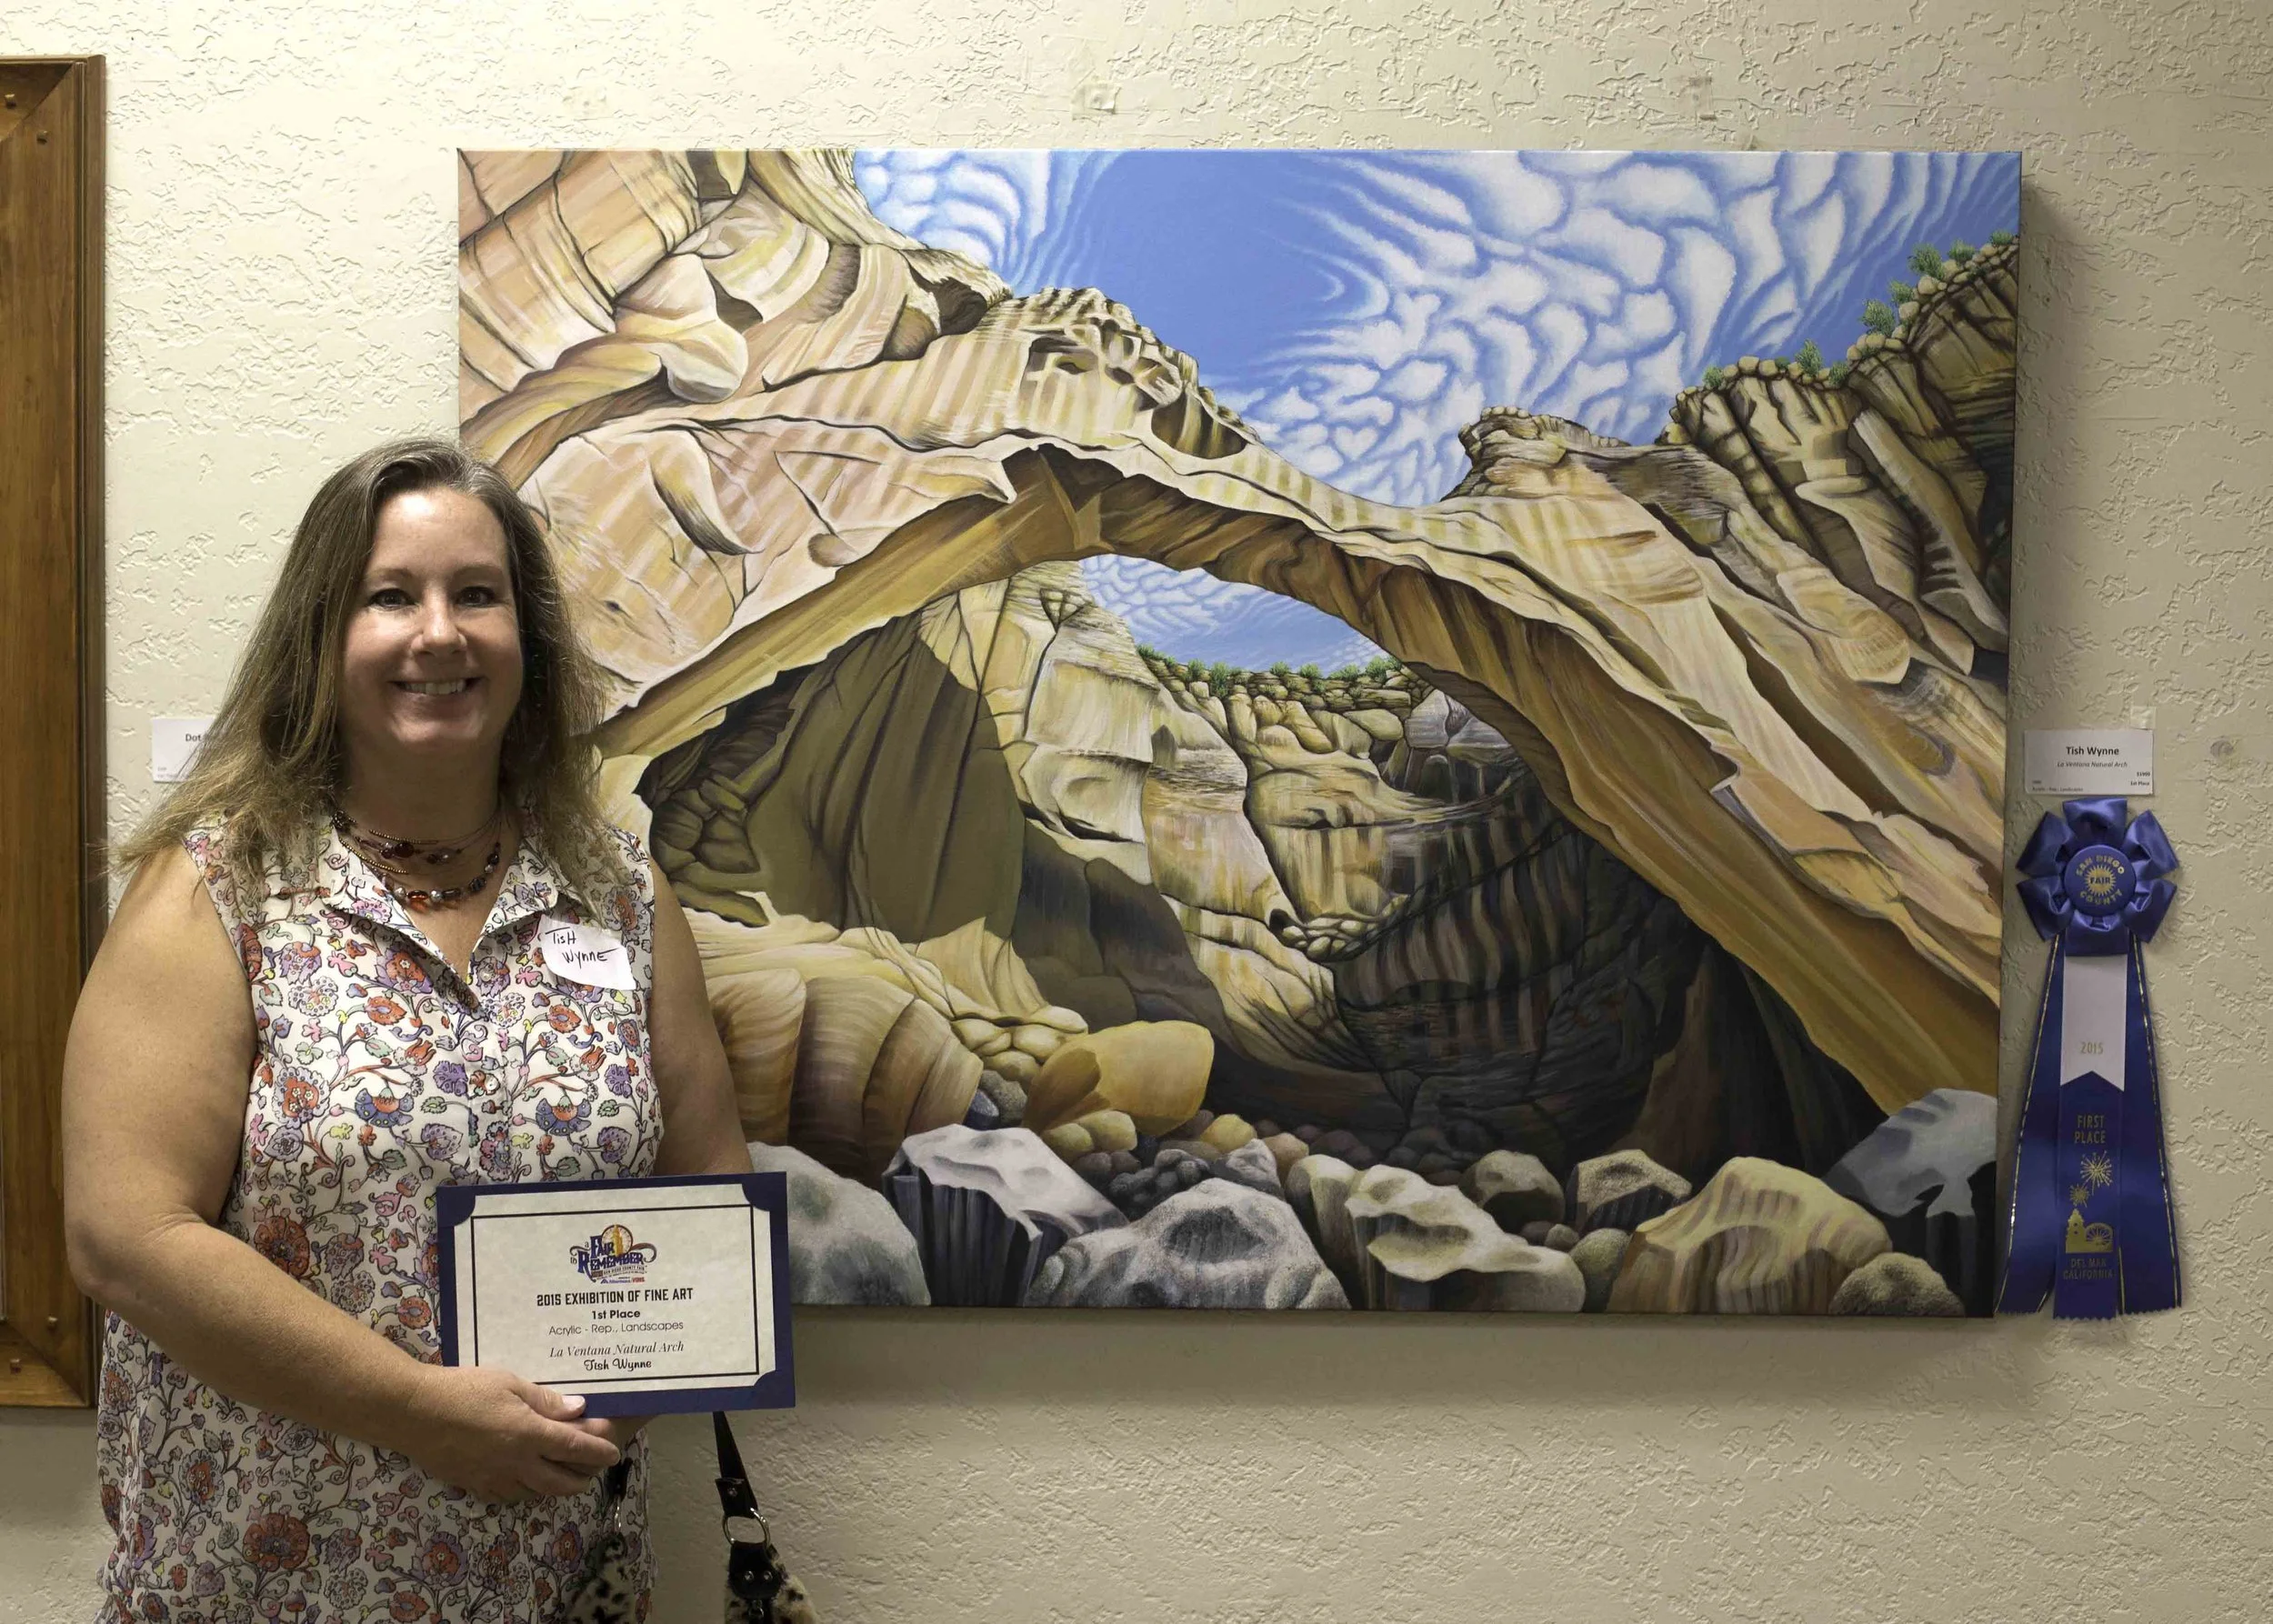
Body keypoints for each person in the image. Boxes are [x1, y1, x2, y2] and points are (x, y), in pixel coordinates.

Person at [63, 437, 752, 1623]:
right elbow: (127, 1236)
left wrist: (622, 1388)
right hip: (262, 1582)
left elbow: (714, 1200)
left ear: (526, 638)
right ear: (321, 637)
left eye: (477, 594)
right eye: (391, 596)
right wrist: (426, 1414)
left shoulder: (621, 899)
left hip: (553, 1582)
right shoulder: (218, 892)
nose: (441, 633)